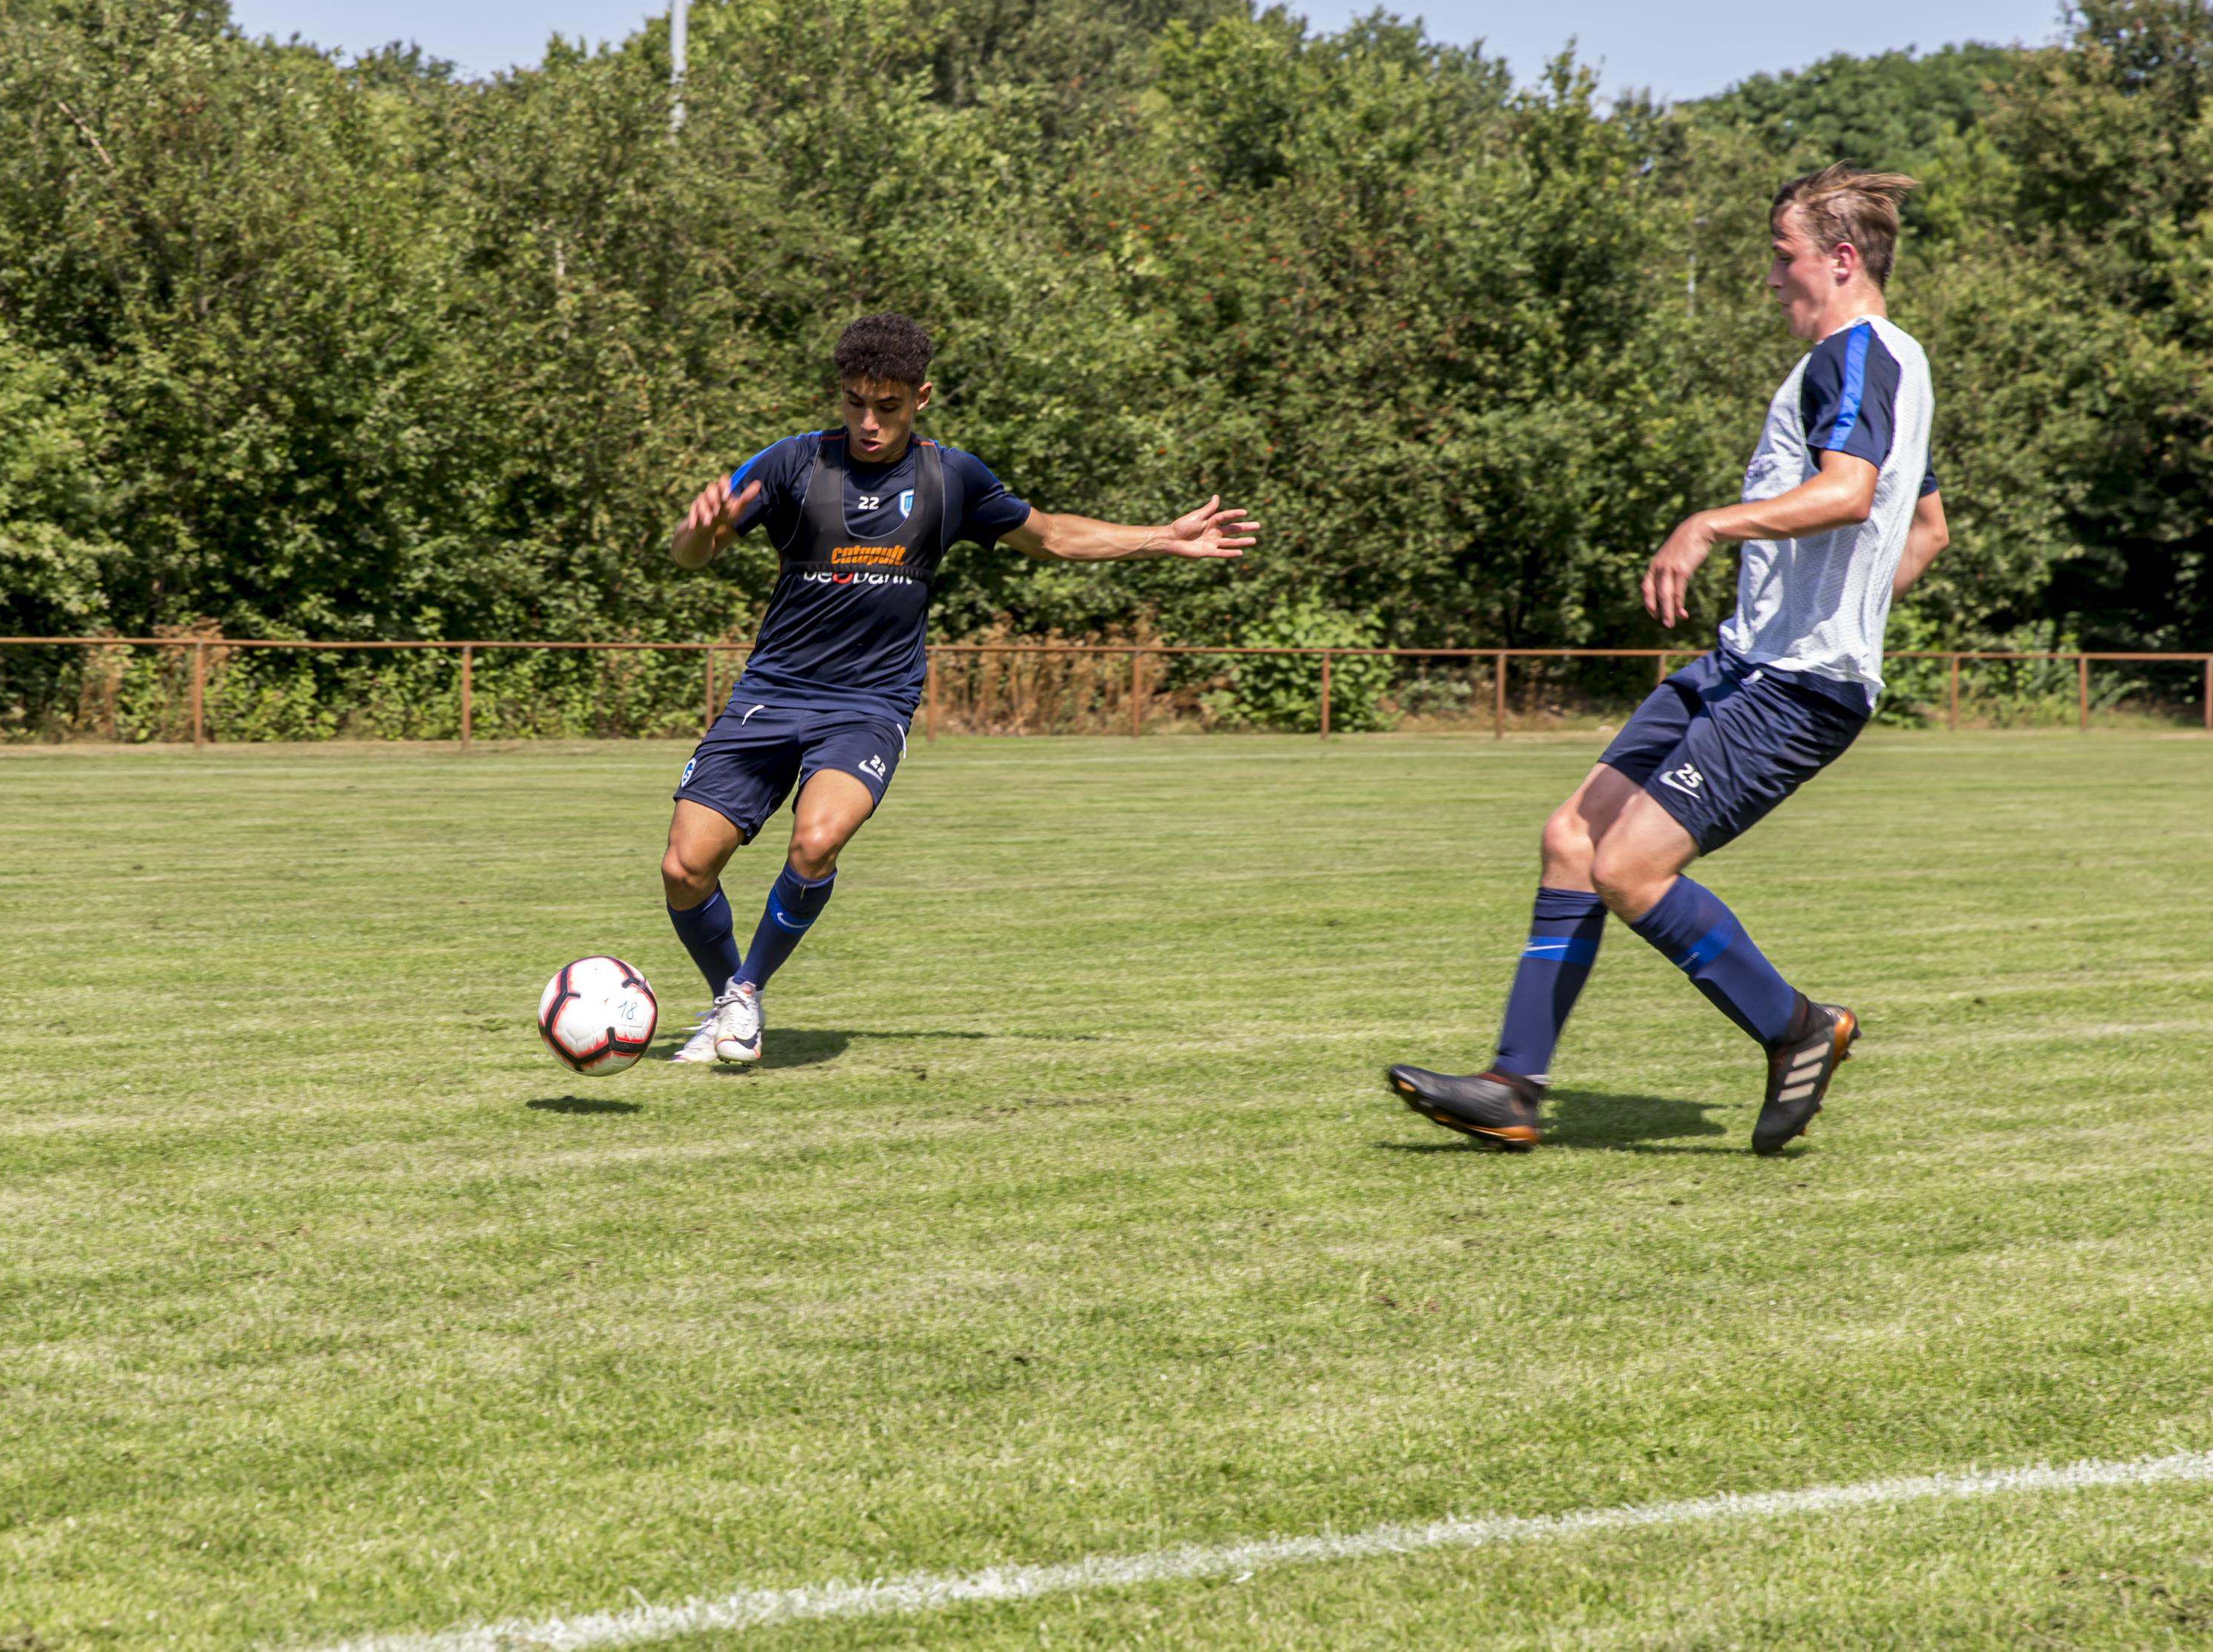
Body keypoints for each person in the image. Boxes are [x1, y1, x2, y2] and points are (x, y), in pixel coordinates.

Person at [1387, 164, 1936, 1155]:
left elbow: (1850, 492)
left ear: (1840, 260)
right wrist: (1844, 613)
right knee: (1571, 837)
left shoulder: (1852, 356)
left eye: (1782, 259)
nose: (1770, 280)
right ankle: (1512, 1086)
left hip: (1790, 687)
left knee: (1631, 867)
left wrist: (1707, 527)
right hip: (1742, 663)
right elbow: (1924, 525)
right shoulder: (1888, 365)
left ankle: (1795, 1025)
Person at [659, 312, 1257, 1064]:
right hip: (772, 691)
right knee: (684, 867)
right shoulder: (791, 465)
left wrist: (1158, 537)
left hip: (869, 705)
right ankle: (727, 1001)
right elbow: (693, 554)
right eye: (853, 403)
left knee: (815, 843)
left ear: (922, 398)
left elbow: (1051, 535)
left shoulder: (951, 478)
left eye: (888, 406)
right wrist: (697, 528)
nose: (868, 422)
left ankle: (745, 993)